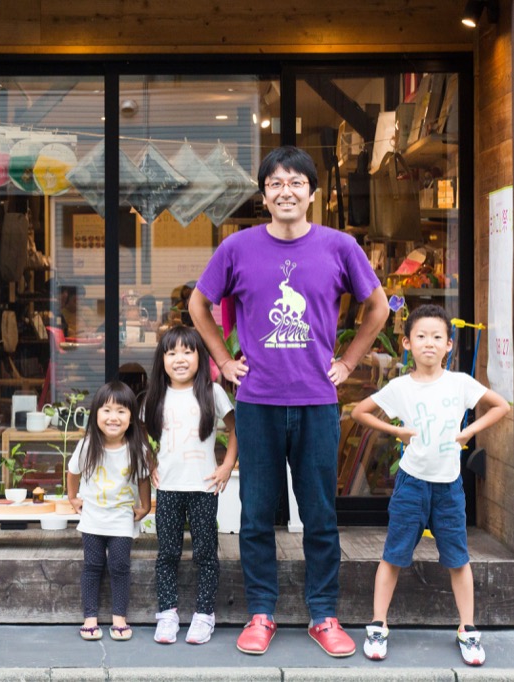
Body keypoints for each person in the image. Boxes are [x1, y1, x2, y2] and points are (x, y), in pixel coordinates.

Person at [188, 145, 389, 657]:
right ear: (263, 195)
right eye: (275, 183)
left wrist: (347, 363)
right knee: (256, 513)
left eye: (296, 182)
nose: (285, 191)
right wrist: (224, 361)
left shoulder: (339, 246)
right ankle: (261, 613)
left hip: (317, 400)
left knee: (319, 513)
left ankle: (324, 615)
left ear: (312, 193)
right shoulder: (238, 248)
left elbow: (378, 307)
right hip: (257, 401)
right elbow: (199, 303)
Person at [351, 304, 510, 666]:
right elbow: (360, 411)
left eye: (437, 337)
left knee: (458, 558)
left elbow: (500, 406)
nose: (429, 344)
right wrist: (398, 431)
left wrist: (467, 432)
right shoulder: (400, 387)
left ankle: (467, 630)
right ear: (407, 342)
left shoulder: (460, 383)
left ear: (449, 345)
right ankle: (378, 625)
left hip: (449, 486)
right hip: (411, 484)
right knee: (393, 554)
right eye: (421, 337)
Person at [142, 325, 238, 645]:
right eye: (172, 353)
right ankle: (168, 613)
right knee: (167, 553)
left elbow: (235, 429)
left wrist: (226, 466)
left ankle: (203, 614)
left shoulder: (213, 392)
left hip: (203, 488)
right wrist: (151, 463)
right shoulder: (156, 395)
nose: (180, 359)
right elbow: (139, 434)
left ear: (200, 357)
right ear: (162, 359)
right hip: (168, 488)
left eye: (187, 351)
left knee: (205, 554)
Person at [67, 380, 153, 642]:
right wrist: (73, 497)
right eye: (107, 410)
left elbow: (142, 479)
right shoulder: (87, 445)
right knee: (92, 565)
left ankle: (119, 618)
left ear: (131, 418)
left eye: (121, 411)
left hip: (121, 519)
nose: (113, 417)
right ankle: (90, 617)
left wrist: (146, 505)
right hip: (93, 518)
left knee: (120, 566)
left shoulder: (137, 448)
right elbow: (73, 472)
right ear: (96, 414)